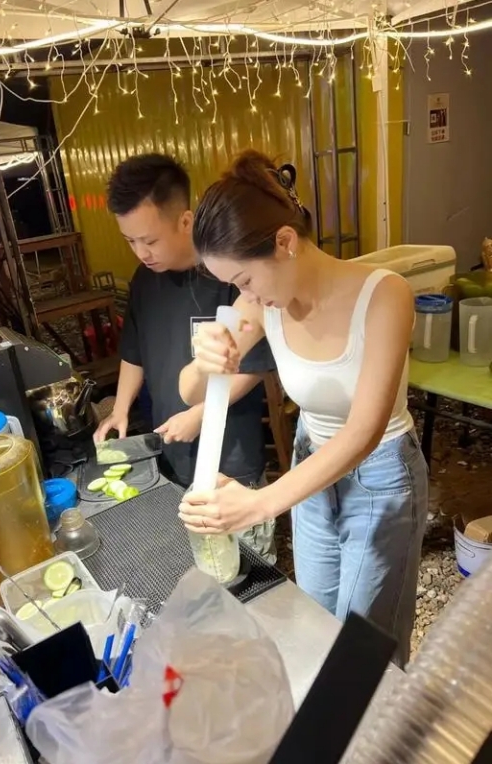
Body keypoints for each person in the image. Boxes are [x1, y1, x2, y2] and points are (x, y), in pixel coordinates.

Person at [178, 150, 429, 666]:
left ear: (285, 242)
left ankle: (379, 719)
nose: (242, 294)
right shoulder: (259, 304)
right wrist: (204, 362)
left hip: (381, 473)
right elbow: (190, 393)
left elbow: (363, 431)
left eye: (244, 279)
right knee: (317, 622)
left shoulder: (385, 296)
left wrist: (260, 503)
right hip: (311, 464)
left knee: (365, 649)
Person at [94, 153, 277, 563]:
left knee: (245, 559)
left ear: (185, 220)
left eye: (150, 240)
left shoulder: (229, 277)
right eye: (130, 241)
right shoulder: (145, 281)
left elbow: (256, 367)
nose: (141, 252)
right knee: (191, 556)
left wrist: (200, 415)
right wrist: (120, 409)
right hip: (171, 448)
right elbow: (133, 351)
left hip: (230, 453)